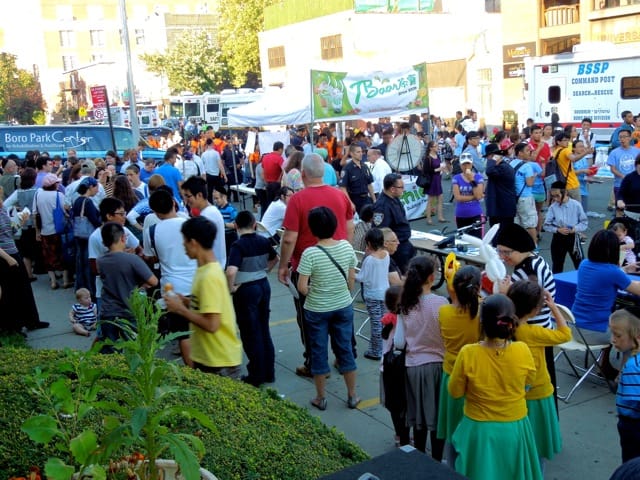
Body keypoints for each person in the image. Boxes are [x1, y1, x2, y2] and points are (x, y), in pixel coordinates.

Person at [448, 294, 541, 480]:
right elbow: (528, 384)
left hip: (478, 431)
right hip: (515, 428)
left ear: (482, 322)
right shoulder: (523, 350)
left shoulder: (469, 353)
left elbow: (455, 391)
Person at [278, 153, 354, 378]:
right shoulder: (340, 196)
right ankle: (345, 358)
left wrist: (283, 266)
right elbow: (350, 227)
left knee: (309, 318)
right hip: (338, 263)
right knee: (342, 312)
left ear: (302, 174)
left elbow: (289, 238)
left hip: (307, 268)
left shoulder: (297, 200)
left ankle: (315, 364)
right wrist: (343, 251)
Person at [296, 206, 360, 410]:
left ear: (313, 229)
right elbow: (351, 281)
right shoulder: (346, 247)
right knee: (345, 350)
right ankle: (352, 396)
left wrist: (316, 292)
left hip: (317, 310)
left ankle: (321, 397)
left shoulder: (310, 254)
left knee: (318, 351)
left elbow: (302, 287)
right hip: (343, 305)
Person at [165, 216, 243, 379]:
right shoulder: (206, 270)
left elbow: (212, 324)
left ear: (193, 242)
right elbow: (207, 305)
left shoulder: (209, 276)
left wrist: (180, 309)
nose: (183, 245)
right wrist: (186, 301)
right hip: (211, 356)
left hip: (218, 360)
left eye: (184, 240)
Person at [508, 281, 571, 471]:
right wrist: (553, 307)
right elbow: (565, 334)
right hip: (538, 392)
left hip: (515, 392)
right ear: (535, 310)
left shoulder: (506, 327)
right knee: (537, 445)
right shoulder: (534, 333)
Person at [394, 256, 447, 458]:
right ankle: (437, 459)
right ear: (432, 278)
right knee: (437, 418)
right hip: (439, 367)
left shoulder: (405, 304)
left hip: (414, 366)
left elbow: (399, 342)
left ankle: (418, 458)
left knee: (418, 418)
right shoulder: (441, 303)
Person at [143, 189, 197, 367]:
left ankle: (195, 374)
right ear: (174, 202)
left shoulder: (151, 231)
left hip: (172, 288)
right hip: (197, 283)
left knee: (183, 333)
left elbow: (151, 257)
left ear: (155, 212)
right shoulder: (190, 224)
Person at [225, 210, 278, 387]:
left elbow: (231, 270)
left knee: (250, 332)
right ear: (254, 224)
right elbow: (274, 258)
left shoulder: (238, 246)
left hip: (246, 289)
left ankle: (256, 374)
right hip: (263, 285)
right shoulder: (263, 241)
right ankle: (269, 372)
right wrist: (264, 271)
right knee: (264, 329)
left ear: (237, 226)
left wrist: (231, 287)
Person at [436, 265, 482, 466]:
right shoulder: (483, 312)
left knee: (452, 428)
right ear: (478, 289)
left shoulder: (444, 311)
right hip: (475, 375)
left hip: (451, 372)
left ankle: (452, 465)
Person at [95, 222, 157, 353]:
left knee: (110, 350)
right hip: (129, 310)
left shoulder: (100, 261)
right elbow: (153, 281)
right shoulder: (132, 259)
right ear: (123, 238)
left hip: (108, 311)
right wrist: (140, 284)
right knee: (135, 349)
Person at [572, 230, 640, 344]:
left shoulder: (584, 264)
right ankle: (629, 361)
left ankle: (604, 361)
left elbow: (604, 276)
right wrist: (622, 271)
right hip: (595, 331)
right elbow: (637, 289)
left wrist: (625, 269)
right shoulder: (612, 272)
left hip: (575, 329)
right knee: (633, 330)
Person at [0, 185, 46, 333]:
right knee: (10, 292)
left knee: (23, 288)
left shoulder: (2, 210)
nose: (1, 200)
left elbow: (10, 231)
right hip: (4, 256)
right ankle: (13, 326)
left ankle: (31, 321)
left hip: (12, 251)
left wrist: (21, 222)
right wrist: (7, 258)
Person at [380, 285, 409, 446]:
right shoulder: (404, 320)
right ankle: (405, 435)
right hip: (402, 368)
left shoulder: (388, 320)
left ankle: (399, 434)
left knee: (394, 405)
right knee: (405, 403)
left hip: (387, 368)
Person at [610, 308, 640, 463]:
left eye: (618, 335)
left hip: (632, 425)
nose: (613, 340)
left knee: (630, 463)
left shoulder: (632, 367)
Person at [355, 228, 389, 361]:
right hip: (384, 293)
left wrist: (352, 273)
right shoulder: (386, 254)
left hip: (372, 295)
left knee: (376, 323)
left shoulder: (369, 260)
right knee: (384, 321)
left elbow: (362, 277)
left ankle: (376, 351)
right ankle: (384, 347)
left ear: (368, 243)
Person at [34, 173, 72, 290]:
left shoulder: (38, 194)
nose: (59, 184)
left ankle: (53, 282)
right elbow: (66, 211)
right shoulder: (59, 195)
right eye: (57, 182)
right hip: (59, 230)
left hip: (45, 231)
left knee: (48, 257)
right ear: (54, 184)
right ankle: (65, 280)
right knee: (62, 255)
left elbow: (35, 214)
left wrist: (37, 231)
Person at [372, 173, 415, 274]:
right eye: (401, 187)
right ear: (392, 189)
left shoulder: (394, 199)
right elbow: (380, 232)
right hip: (396, 250)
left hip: (404, 244)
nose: (403, 190)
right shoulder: (381, 206)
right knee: (402, 277)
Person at [181, 176, 226, 269]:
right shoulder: (210, 211)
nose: (186, 200)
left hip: (211, 267)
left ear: (199, 195)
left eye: (188, 196)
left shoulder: (207, 216)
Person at [543, 181, 588, 273]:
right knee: (557, 265)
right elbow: (546, 225)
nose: (555, 199)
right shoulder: (553, 207)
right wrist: (557, 229)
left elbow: (584, 222)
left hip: (573, 238)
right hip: (558, 238)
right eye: (553, 196)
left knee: (580, 264)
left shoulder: (576, 205)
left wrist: (575, 229)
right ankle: (557, 285)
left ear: (565, 192)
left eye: (557, 195)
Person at [4, 168, 38, 280]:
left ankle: (29, 274)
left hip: (24, 223)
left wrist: (16, 209)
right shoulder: (37, 191)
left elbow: (5, 205)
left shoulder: (18, 192)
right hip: (36, 223)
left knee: (26, 252)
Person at [72, 177, 102, 295]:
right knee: (88, 263)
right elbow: (94, 219)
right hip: (88, 235)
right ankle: (90, 289)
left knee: (80, 262)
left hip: (78, 234)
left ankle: (80, 287)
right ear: (91, 187)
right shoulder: (88, 202)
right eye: (96, 187)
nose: (97, 190)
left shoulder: (77, 200)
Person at [484, 143, 516, 228]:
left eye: (488, 157)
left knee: (503, 237)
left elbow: (489, 171)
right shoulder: (499, 167)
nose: (488, 160)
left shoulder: (503, 168)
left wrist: (493, 159)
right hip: (498, 209)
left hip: (503, 210)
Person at [451, 155, 484, 238]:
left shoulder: (478, 177)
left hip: (475, 214)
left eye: (468, 164)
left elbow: (478, 196)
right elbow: (458, 198)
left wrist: (471, 180)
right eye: (463, 164)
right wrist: (474, 197)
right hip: (461, 214)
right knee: (463, 241)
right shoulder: (456, 178)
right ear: (460, 165)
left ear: (472, 164)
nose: (466, 166)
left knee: (477, 241)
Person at [340, 143, 376, 216]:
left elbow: (369, 185)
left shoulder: (365, 166)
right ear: (352, 154)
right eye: (358, 152)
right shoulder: (347, 168)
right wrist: (350, 203)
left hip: (366, 199)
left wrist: (374, 200)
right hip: (355, 200)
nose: (361, 154)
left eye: (361, 152)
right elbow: (342, 188)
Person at [609, 130, 640, 202]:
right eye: (620, 137)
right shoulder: (614, 152)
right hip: (619, 185)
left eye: (624, 137)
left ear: (630, 138)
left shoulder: (638, 151)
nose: (622, 139)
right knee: (620, 208)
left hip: (636, 185)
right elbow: (613, 169)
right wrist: (625, 177)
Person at [423, 140, 448, 224]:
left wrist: (442, 169)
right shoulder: (428, 158)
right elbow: (426, 171)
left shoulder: (437, 156)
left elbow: (439, 166)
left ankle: (440, 217)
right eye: (436, 146)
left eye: (437, 146)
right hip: (432, 180)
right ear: (431, 148)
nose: (437, 147)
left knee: (440, 198)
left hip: (438, 179)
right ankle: (429, 218)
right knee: (431, 200)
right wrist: (438, 169)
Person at [262, 141, 285, 206]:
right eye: (282, 150)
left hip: (268, 184)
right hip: (276, 184)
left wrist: (265, 181)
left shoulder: (265, 157)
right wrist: (279, 180)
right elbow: (284, 171)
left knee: (269, 203)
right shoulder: (279, 158)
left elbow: (263, 171)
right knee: (277, 203)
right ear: (280, 149)